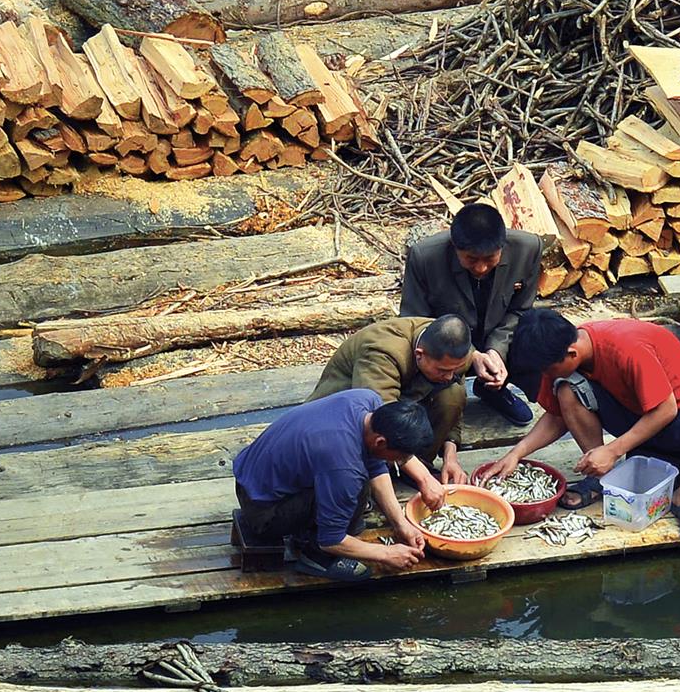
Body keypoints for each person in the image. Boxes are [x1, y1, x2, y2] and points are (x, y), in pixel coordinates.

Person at [495, 309, 680, 541]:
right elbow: (555, 416)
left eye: (550, 370)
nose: (548, 376)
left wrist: (612, 450)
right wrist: (516, 453)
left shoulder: (626, 347)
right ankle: (604, 477)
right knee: (566, 391)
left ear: (571, 353)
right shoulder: (567, 351)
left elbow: (665, 409)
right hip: (637, 422)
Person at [231, 392, 434, 581]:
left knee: (352, 483)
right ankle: (315, 558)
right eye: (401, 457)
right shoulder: (344, 468)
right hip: (263, 513)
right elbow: (332, 540)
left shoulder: (366, 400)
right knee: (358, 490)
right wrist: (387, 553)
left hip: (252, 479)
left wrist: (401, 524)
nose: (402, 461)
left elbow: (375, 463)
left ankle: (308, 530)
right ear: (381, 442)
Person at [400, 201, 542, 425]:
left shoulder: (528, 248)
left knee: (541, 330)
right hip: (449, 342)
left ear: (502, 247)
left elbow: (521, 309)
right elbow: (414, 320)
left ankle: (494, 388)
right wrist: (471, 355)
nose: (481, 268)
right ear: (454, 246)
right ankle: (434, 400)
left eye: (489, 259)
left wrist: (497, 350)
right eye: (471, 259)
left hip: (498, 334)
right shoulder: (425, 257)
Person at [309, 315, 473, 504]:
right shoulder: (382, 352)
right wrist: (424, 478)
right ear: (419, 354)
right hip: (343, 419)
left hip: (401, 400)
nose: (449, 375)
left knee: (453, 393)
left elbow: (456, 403)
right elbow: (382, 421)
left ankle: (413, 463)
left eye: (455, 370)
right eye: (443, 371)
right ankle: (390, 469)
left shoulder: (452, 352)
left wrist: (450, 456)